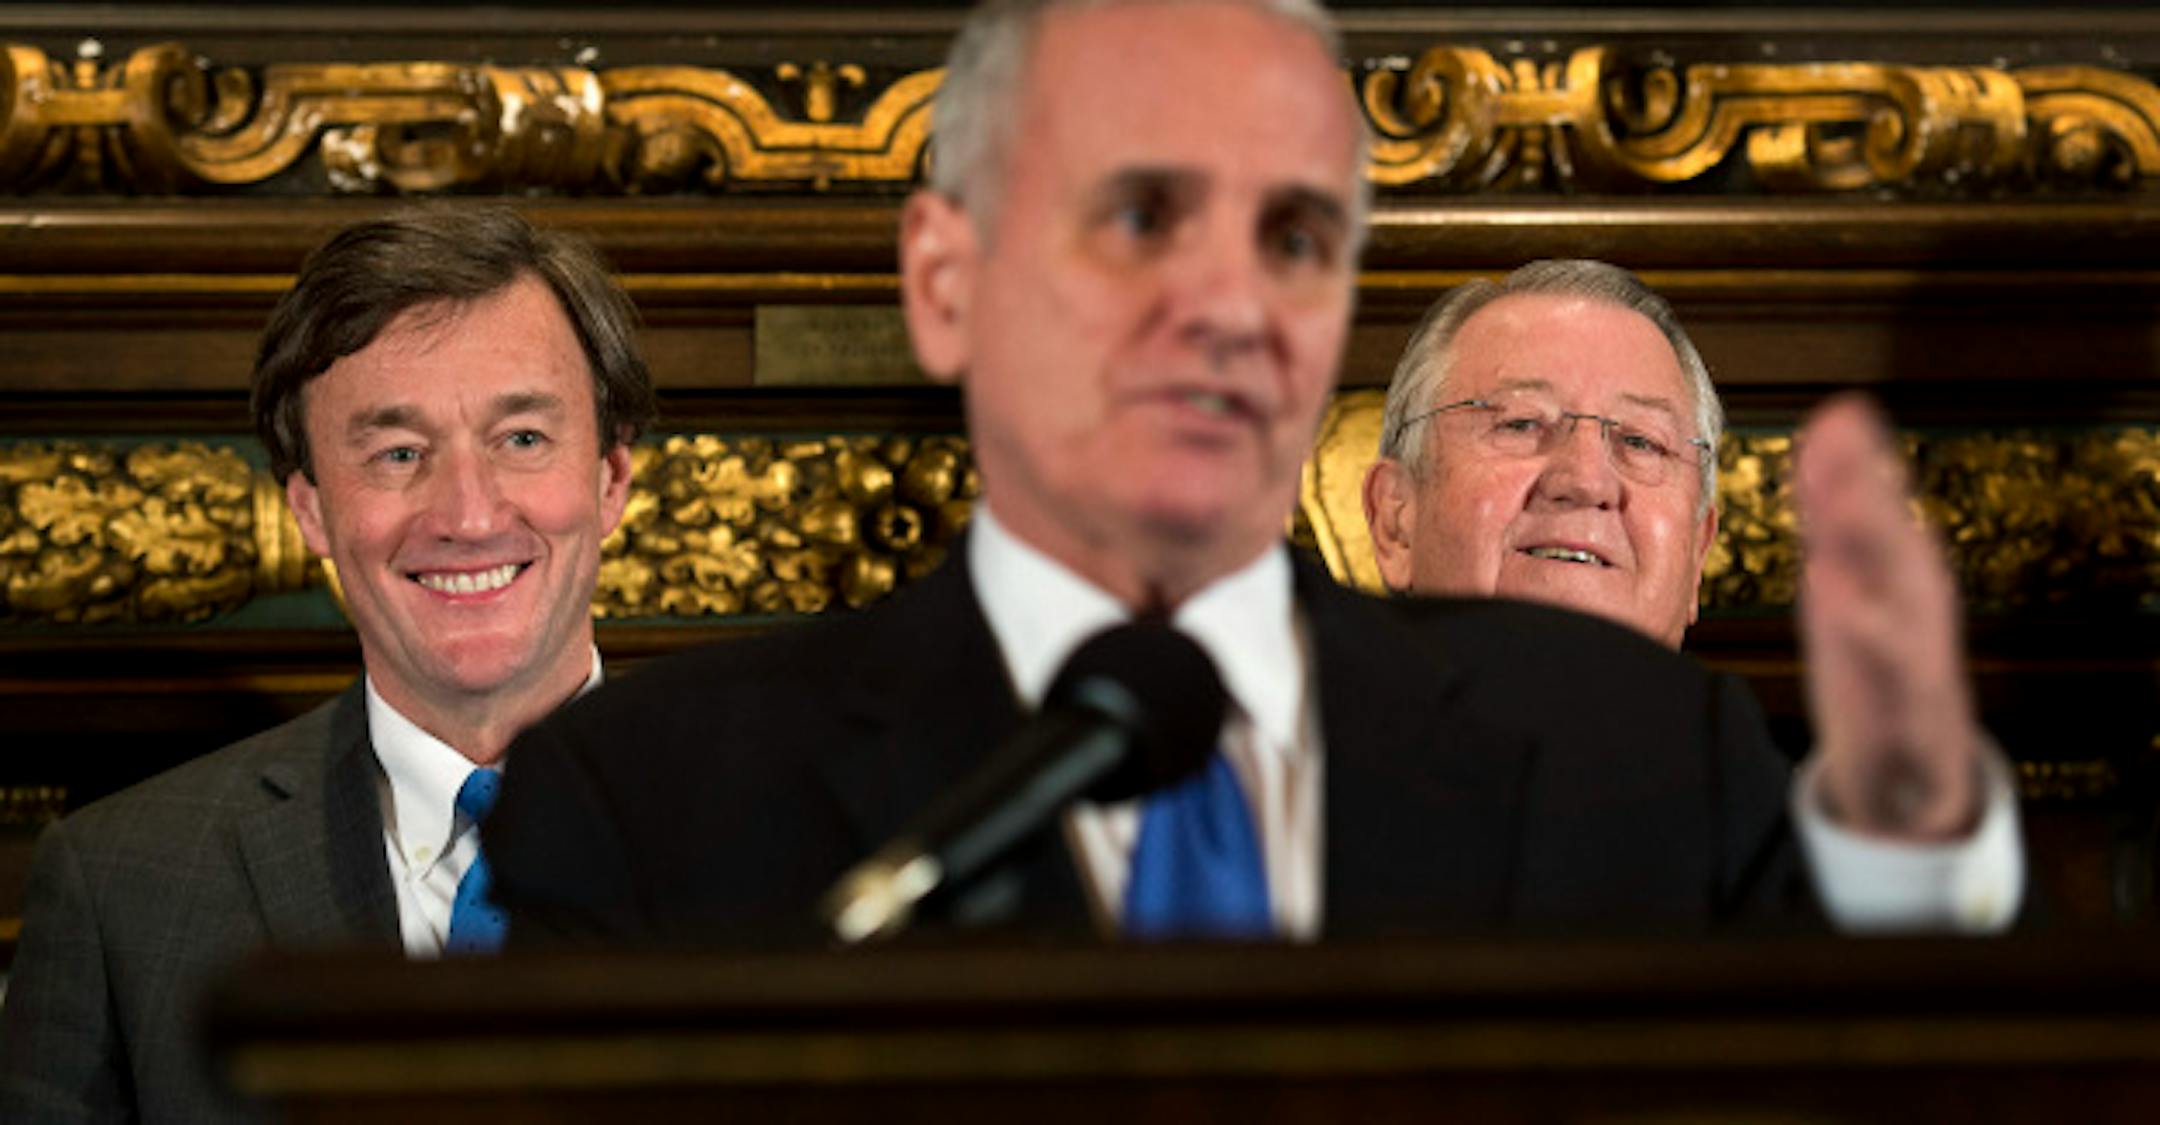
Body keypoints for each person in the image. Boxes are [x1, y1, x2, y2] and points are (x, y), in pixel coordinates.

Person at [486, 0, 2019, 949]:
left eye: (1290, 237)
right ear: (946, 281)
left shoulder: (1645, 764)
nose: (1225, 304)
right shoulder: (654, 800)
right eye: (1144, 217)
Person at [0, 207, 655, 1124]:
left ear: (611, 478)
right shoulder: (121, 883)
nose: (467, 515)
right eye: (398, 453)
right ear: (310, 510)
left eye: (522, 439)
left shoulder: (808, 849)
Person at [1361, 259, 2009, 849]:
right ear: (1396, 518)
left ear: (1699, 553)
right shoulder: (1282, 815)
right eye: (1520, 423)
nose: (1586, 479)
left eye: (1642, 441)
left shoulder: (1778, 837)